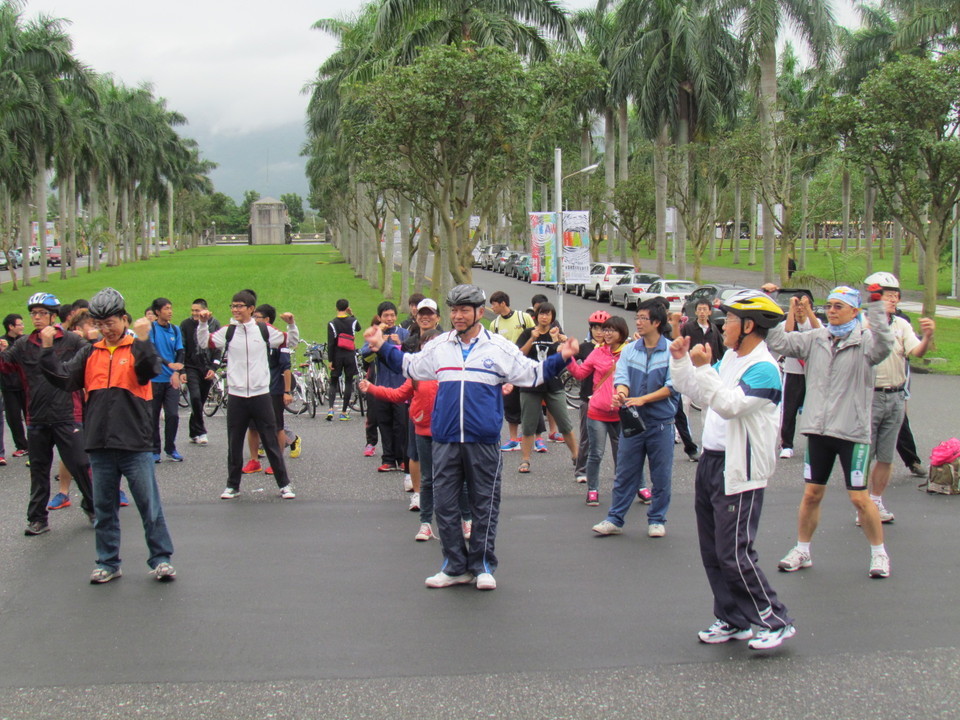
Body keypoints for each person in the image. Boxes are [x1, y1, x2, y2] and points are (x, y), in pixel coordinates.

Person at [363, 284, 577, 591]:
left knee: (484, 505)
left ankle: (482, 565)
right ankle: (454, 567)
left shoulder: (498, 347)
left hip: (483, 440)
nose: (458, 316)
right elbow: (410, 366)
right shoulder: (439, 347)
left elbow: (533, 374)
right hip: (446, 439)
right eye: (454, 310)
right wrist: (381, 346)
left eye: (464, 310)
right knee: (446, 506)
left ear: (480, 312)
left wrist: (563, 357)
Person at [670, 289, 796, 650]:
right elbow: (696, 392)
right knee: (712, 552)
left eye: (731, 321)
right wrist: (682, 362)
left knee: (734, 552)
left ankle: (775, 619)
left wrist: (705, 367)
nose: (722, 327)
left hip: (738, 468)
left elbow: (728, 405)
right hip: (711, 461)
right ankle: (732, 618)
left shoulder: (765, 368)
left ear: (750, 326)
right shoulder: (731, 360)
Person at [39, 288, 176, 584]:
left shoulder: (135, 346)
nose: (106, 329)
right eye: (99, 324)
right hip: (99, 444)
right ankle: (108, 562)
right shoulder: (90, 352)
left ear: (124, 319)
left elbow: (151, 369)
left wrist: (143, 340)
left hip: (135, 443)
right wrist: (47, 349)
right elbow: (64, 380)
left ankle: (161, 558)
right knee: (103, 509)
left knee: (148, 505)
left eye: (110, 323)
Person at [766, 285, 894, 578]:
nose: (831, 311)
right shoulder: (815, 338)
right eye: (830, 306)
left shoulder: (866, 342)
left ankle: (879, 554)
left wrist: (875, 306)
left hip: (852, 432)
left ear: (854, 311)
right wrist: (770, 307)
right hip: (819, 431)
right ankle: (802, 550)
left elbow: (885, 343)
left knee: (860, 498)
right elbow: (780, 343)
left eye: (838, 306)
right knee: (811, 494)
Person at [0, 293, 95, 535]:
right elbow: (6, 365)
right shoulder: (24, 344)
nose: (37, 318)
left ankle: (94, 507)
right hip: (37, 416)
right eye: (33, 314)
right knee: (39, 469)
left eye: (42, 313)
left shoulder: (72, 340)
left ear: (54, 317)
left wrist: (92, 340)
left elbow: (92, 358)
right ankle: (37, 518)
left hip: (67, 413)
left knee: (80, 464)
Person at [197, 290, 299, 500]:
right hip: (236, 394)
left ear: (251, 309)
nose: (235, 310)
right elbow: (204, 342)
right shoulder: (228, 332)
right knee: (234, 442)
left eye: (240, 306)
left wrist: (291, 324)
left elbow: (290, 342)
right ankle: (232, 486)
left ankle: (284, 484)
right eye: (233, 306)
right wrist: (203, 324)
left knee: (270, 440)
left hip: (261, 393)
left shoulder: (263, 329)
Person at [592, 299, 677, 538]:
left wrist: (643, 399)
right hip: (633, 422)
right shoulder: (629, 350)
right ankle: (614, 519)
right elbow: (622, 379)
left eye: (643, 318)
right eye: (637, 318)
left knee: (661, 474)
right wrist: (621, 395)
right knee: (625, 472)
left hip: (661, 423)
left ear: (657, 322)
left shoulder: (671, 351)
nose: (638, 323)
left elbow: (672, 387)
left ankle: (657, 519)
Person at [861, 272, 934, 523]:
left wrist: (928, 337)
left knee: (886, 456)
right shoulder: (862, 323)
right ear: (874, 297)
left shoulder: (901, 325)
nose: (893, 300)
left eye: (895, 295)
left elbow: (916, 351)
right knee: (864, 454)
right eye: (887, 295)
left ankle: (876, 501)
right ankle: (862, 506)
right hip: (869, 396)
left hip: (895, 396)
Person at [565, 315, 629, 506]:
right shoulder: (597, 352)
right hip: (598, 411)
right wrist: (568, 357)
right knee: (596, 453)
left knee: (624, 453)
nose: (606, 333)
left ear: (621, 332)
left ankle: (632, 487)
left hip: (622, 411)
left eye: (611, 330)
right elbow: (580, 373)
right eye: (604, 330)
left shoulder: (630, 352)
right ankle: (593, 490)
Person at [513, 302, 577, 474]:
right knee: (528, 425)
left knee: (565, 424)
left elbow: (563, 357)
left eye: (548, 314)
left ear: (552, 317)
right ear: (536, 316)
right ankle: (525, 460)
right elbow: (519, 355)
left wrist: (560, 341)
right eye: (541, 313)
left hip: (553, 384)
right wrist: (532, 338)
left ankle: (577, 457)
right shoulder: (528, 333)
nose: (544, 317)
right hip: (531, 385)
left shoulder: (556, 334)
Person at [247, 304, 299, 474]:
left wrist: (286, 391)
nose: (253, 320)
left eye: (257, 317)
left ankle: (277, 462)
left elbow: (286, 367)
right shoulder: (252, 338)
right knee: (253, 426)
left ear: (267, 320)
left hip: (274, 388)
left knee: (277, 426)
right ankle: (254, 460)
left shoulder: (277, 339)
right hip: (255, 388)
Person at [360, 301, 409, 472]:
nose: (390, 319)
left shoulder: (404, 332)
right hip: (381, 386)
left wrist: (399, 342)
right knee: (384, 424)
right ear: (379, 317)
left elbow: (412, 356)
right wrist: (380, 337)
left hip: (400, 387)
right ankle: (388, 459)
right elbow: (364, 352)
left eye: (392, 315)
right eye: (386, 315)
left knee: (401, 425)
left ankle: (403, 459)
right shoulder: (376, 333)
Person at [489, 291, 535, 452]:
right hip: (507, 369)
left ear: (502, 303)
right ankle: (514, 439)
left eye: (494, 304)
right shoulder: (494, 324)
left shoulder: (523, 318)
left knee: (529, 402)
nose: (492, 307)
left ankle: (533, 438)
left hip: (524, 366)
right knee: (510, 404)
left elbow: (534, 336)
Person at [778, 292, 821, 459]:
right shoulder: (788, 322)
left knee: (815, 409)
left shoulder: (814, 323)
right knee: (789, 410)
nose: (800, 309)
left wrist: (808, 308)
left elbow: (820, 332)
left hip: (812, 372)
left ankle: (816, 444)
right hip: (793, 372)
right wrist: (791, 308)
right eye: (798, 306)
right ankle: (786, 445)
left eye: (803, 306)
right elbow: (788, 332)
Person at [568, 311, 609, 484]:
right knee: (587, 437)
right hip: (588, 398)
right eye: (595, 328)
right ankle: (581, 469)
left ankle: (624, 471)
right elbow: (571, 360)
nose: (599, 332)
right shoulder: (585, 348)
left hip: (609, 400)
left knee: (617, 439)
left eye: (603, 328)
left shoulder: (614, 349)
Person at [179, 298, 222, 445]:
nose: (194, 313)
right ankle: (202, 430)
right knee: (195, 398)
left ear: (206, 311)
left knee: (201, 400)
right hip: (191, 366)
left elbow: (218, 348)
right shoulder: (185, 324)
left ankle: (193, 432)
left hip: (207, 367)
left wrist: (214, 367)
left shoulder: (214, 324)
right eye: (192, 311)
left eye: (197, 310)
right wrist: (182, 369)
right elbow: (182, 347)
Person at [148, 297, 185, 463]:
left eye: (171, 308)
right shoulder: (152, 330)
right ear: (157, 312)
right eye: (166, 308)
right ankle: (154, 449)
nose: (170, 311)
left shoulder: (175, 330)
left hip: (172, 380)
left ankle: (170, 448)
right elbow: (153, 352)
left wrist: (177, 369)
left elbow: (180, 351)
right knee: (153, 416)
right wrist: (168, 364)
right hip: (155, 379)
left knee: (172, 415)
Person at [326, 298, 361, 421]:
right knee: (348, 381)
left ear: (336, 308)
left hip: (337, 355)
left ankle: (330, 409)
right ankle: (344, 412)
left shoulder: (332, 323)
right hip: (350, 354)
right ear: (347, 308)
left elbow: (330, 343)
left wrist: (330, 360)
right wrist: (352, 314)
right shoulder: (352, 321)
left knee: (334, 381)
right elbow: (359, 328)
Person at [1, 313, 28, 461]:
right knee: (13, 418)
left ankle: (34, 444)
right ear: (11, 327)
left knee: (30, 415)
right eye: (20, 324)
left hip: (25, 385)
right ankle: (22, 446)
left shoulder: (25, 341)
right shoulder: (2, 342)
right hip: (9, 386)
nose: (23, 327)